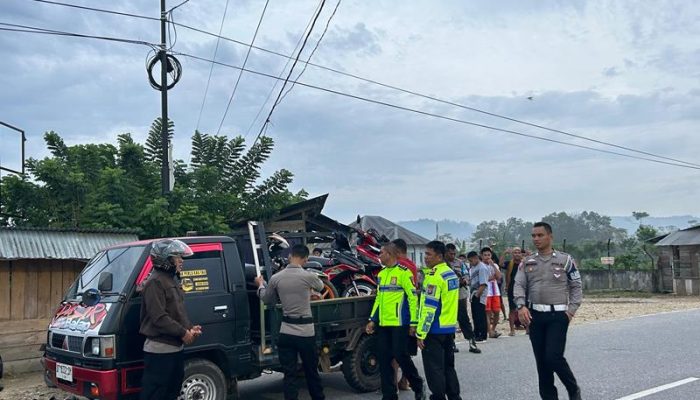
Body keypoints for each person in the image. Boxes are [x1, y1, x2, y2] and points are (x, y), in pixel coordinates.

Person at [514, 222, 582, 400]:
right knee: (542, 364)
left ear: (550, 236)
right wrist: (521, 306)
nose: (536, 239)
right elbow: (519, 284)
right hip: (535, 316)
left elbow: (576, 286)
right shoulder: (527, 261)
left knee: (553, 357)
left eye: (540, 235)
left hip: (558, 316)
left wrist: (571, 311)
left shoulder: (565, 260)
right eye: (533, 236)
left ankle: (573, 388)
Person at [255, 245, 326, 400]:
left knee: (290, 374)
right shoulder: (308, 276)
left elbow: (267, 299)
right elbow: (320, 287)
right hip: (306, 333)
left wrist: (260, 285)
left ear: (289, 257)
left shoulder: (276, 278)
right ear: (306, 259)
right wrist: (310, 292)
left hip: (286, 332)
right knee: (311, 372)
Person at [140, 239, 202, 400]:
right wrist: (183, 333)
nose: (181, 260)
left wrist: (190, 329)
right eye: (176, 257)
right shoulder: (154, 282)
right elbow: (159, 317)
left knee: (172, 393)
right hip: (160, 351)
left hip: (175, 349)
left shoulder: (170, 281)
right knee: (156, 395)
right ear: (165, 260)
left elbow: (177, 312)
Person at [366, 243, 426, 400]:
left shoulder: (404, 273)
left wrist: (413, 322)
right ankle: (389, 394)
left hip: (400, 323)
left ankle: (418, 385)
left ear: (390, 254)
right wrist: (373, 319)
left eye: (382, 253)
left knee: (401, 355)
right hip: (384, 324)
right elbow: (379, 298)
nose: (379, 255)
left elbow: (413, 299)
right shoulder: (382, 273)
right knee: (384, 358)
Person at [416, 241, 461, 400]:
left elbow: (429, 307)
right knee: (449, 367)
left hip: (433, 329)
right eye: (425, 254)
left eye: (429, 254)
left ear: (439, 256)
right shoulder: (450, 273)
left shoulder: (434, 277)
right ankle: (455, 397)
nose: (425, 258)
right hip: (448, 328)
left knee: (434, 369)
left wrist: (421, 333)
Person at [391, 238, 418, 390]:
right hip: (408, 313)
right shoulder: (412, 265)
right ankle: (403, 381)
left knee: (397, 352)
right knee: (405, 351)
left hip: (401, 313)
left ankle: (395, 382)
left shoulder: (401, 266)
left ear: (398, 252)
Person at [445, 244, 480, 354]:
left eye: (454, 253)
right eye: (451, 253)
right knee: (449, 319)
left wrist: (464, 281)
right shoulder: (441, 263)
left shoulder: (460, 263)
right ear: (445, 253)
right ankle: (451, 343)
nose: (453, 255)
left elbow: (466, 275)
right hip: (447, 295)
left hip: (460, 294)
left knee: (463, 317)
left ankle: (471, 342)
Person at [467, 251, 489, 342]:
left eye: (471, 261)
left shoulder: (482, 268)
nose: (470, 263)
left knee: (480, 315)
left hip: (479, 294)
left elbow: (483, 283)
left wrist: (477, 295)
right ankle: (476, 333)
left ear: (476, 258)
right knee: (475, 315)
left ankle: (482, 334)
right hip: (473, 293)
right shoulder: (473, 267)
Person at [502, 247, 525, 335]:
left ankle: (527, 328)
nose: (517, 254)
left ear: (521, 254)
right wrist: (504, 253)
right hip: (512, 288)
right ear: (512, 254)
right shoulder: (509, 263)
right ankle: (512, 330)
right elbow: (500, 264)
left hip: (523, 288)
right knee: (512, 309)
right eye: (515, 252)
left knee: (524, 308)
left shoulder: (524, 263)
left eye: (519, 252)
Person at [481, 247, 502, 338]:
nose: (487, 257)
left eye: (488, 255)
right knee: (488, 312)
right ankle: (489, 331)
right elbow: (484, 279)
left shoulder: (495, 265)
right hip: (486, 292)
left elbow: (499, 277)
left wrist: (493, 265)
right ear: (481, 256)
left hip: (495, 291)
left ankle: (493, 329)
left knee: (497, 311)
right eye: (485, 255)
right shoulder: (480, 266)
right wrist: (490, 278)